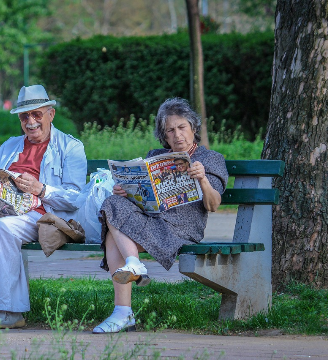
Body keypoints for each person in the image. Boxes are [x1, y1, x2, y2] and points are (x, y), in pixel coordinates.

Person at [0, 85, 87, 329]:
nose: (31, 121)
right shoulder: (9, 146)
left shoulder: (70, 147)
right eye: (24, 116)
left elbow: (76, 198)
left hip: (43, 215)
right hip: (4, 212)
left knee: (4, 228)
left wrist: (41, 189)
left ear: (50, 115)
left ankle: (11, 311)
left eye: (37, 114)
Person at [92, 98, 227, 334]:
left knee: (113, 236)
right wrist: (127, 191)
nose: (177, 135)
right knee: (112, 202)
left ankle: (122, 311)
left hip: (182, 229)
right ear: (164, 136)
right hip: (152, 220)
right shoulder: (156, 156)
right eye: (170, 131)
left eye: (182, 127)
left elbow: (213, 205)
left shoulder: (210, 159)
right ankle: (133, 267)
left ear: (193, 128)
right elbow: (142, 197)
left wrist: (203, 179)